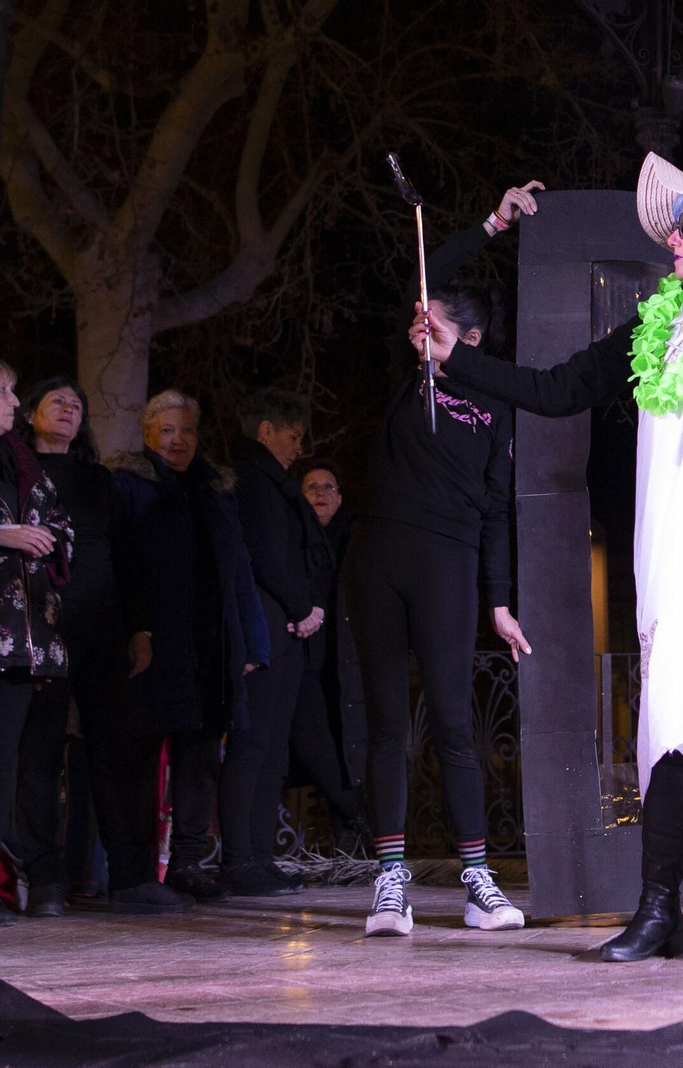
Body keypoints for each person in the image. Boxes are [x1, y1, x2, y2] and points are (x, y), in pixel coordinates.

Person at [418, 157, 683, 971]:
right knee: (675, 710)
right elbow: (556, 389)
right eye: (672, 225)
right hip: (680, 540)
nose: (672, 237)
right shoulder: (655, 321)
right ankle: (661, 911)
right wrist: (455, 357)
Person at [348, 232, 529, 938]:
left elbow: (497, 510)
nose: (424, 332)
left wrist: (500, 598)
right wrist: (487, 225)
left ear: (474, 339)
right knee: (388, 724)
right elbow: (424, 271)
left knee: (455, 725)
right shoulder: (408, 378)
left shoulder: (496, 405)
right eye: (422, 324)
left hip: (448, 567)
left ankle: (478, 882)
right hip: (378, 560)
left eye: (442, 327)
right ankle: (389, 881)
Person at [11, 377, 194, 916]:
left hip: (102, 626)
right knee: (40, 752)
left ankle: (132, 877)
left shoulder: (99, 481)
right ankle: (45, 879)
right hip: (38, 629)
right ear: (31, 412)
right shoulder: (15, 470)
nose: (69, 410)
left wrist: (139, 630)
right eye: (57, 402)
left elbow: (128, 557)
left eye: (77, 405)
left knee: (117, 754)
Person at [107, 390, 270, 903]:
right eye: (167, 431)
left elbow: (238, 567)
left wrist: (252, 640)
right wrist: (132, 630)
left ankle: (188, 863)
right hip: (155, 640)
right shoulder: (128, 485)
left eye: (187, 431)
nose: (178, 441)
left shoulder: (215, 490)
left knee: (199, 758)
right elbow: (122, 562)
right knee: (141, 755)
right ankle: (133, 871)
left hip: (210, 645)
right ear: (149, 435)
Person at [219, 388, 323, 895]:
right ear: (265, 429)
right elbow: (264, 555)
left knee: (271, 748)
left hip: (281, 628)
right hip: (264, 628)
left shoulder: (272, 483)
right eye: (292, 435)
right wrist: (304, 608)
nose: (298, 447)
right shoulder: (254, 483)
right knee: (252, 745)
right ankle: (240, 859)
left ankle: (259, 855)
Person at [0, 361, 73, 926]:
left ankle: (30, 881)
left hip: (34, 642)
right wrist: (6, 535)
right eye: (3, 391)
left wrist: (50, 539)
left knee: (29, 767)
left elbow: (59, 520)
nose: (12, 400)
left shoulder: (23, 463)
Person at [288, 457, 366, 854]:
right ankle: (361, 818)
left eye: (329, 486)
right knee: (312, 744)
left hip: (348, 659)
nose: (321, 493)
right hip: (303, 656)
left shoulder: (354, 534)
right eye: (311, 486)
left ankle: (349, 837)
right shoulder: (290, 533)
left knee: (347, 747)